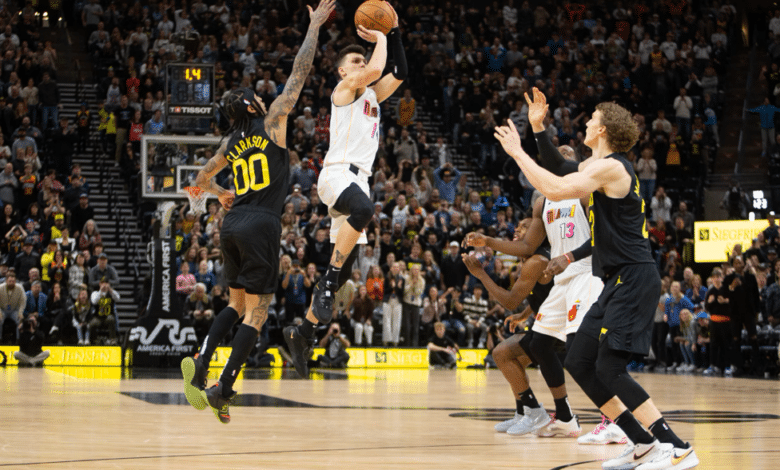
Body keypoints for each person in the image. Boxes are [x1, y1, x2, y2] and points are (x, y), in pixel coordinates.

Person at [494, 87, 698, 469]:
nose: (585, 123)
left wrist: (519, 152)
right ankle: (642, 443)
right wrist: (538, 129)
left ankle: (676, 447)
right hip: (616, 278)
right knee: (580, 359)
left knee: (610, 367)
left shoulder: (613, 167)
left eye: (591, 120)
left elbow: (555, 186)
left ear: (602, 131)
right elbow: (561, 168)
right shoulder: (595, 165)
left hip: (635, 277)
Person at [179, 0, 336, 424]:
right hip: (262, 223)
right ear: (252, 106)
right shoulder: (274, 122)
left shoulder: (230, 145)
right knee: (260, 309)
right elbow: (299, 75)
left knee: (235, 301)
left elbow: (195, 181)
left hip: (230, 225)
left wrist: (218, 194)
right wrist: (315, 26)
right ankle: (224, 388)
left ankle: (203, 357)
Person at [285, 2, 407, 379]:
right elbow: (375, 68)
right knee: (364, 211)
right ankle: (325, 284)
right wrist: (381, 36)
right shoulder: (345, 88)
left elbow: (398, 72)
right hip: (337, 175)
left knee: (348, 272)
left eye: (361, 60)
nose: (362, 62)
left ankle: (302, 333)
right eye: (355, 60)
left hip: (359, 178)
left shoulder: (371, 96)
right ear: (343, 70)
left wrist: (396, 32)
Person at [465, 140, 603, 439]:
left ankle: (612, 419)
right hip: (562, 281)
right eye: (557, 155)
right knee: (539, 346)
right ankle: (563, 416)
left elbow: (602, 238)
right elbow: (526, 245)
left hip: (586, 274)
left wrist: (568, 257)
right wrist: (487, 241)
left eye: (568, 156)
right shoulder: (542, 202)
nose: (562, 159)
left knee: (585, 353)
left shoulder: (585, 194)